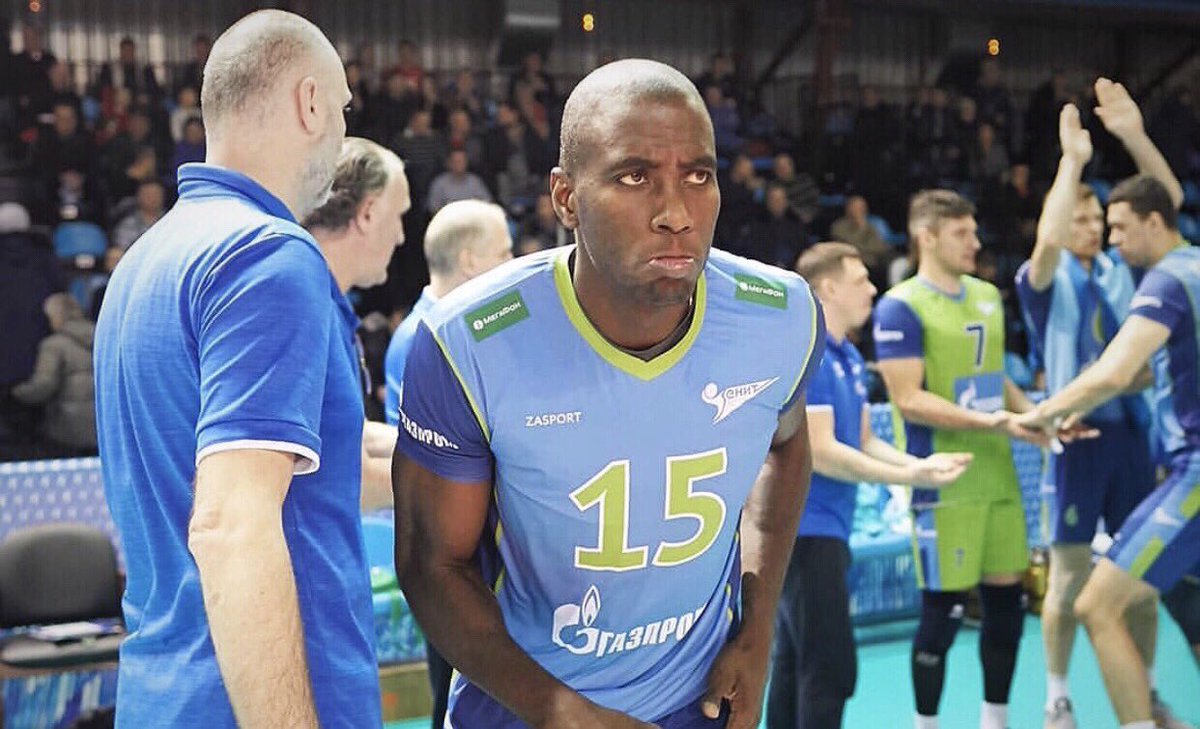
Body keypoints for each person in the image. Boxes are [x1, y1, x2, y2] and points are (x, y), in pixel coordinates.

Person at [392, 58, 825, 729]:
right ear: (566, 198)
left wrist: (757, 628)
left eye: (698, 176)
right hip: (522, 712)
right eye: (634, 177)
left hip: (699, 703)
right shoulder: (468, 342)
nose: (676, 213)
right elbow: (431, 562)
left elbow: (788, 446)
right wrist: (557, 709)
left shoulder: (780, 315)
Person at [92, 11, 374, 728]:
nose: (343, 131)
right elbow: (230, 523)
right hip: (257, 702)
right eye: (343, 109)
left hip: (161, 692)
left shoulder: (144, 262)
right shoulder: (267, 254)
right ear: (310, 103)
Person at [1013, 80, 1185, 729]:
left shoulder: (1128, 269)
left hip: (1133, 440)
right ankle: (1058, 697)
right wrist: (1073, 162)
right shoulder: (1047, 283)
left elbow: (1164, 205)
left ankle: (1146, 693)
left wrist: (1134, 137)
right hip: (1076, 442)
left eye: (1101, 222)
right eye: (1083, 220)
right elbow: (1048, 240)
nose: (1094, 230)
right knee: (1066, 581)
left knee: (1141, 583)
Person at [873, 189, 1077, 729]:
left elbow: (997, 379)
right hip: (943, 481)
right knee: (942, 615)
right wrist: (994, 423)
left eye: (975, 229)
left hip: (999, 476)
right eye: (962, 232)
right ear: (927, 236)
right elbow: (908, 398)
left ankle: (995, 719)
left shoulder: (986, 295)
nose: (976, 242)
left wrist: (1039, 418)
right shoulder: (901, 305)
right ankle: (926, 724)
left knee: (1006, 608)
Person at [767, 242, 972, 729]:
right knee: (830, 668)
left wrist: (920, 466)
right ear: (829, 288)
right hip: (803, 531)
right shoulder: (808, 353)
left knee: (796, 663)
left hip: (827, 531)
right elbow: (822, 453)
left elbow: (862, 440)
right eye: (860, 279)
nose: (873, 289)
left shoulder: (849, 357)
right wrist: (908, 476)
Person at [382, 198, 512, 729]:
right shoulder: (427, 337)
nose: (513, 263)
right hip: (449, 554)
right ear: (470, 260)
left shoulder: (457, 329)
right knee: (455, 694)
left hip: (470, 547)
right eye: (503, 253)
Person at [303, 136, 413, 513]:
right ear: (367, 214)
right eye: (398, 216)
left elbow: (342, 434)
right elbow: (349, 479)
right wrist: (467, 483)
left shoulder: (323, 302)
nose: (400, 236)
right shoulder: (306, 308)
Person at [11, 293, 96, 457]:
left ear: (55, 316)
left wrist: (15, 393)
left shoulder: (54, 346)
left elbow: (43, 386)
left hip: (67, 432)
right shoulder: (99, 336)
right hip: (98, 428)